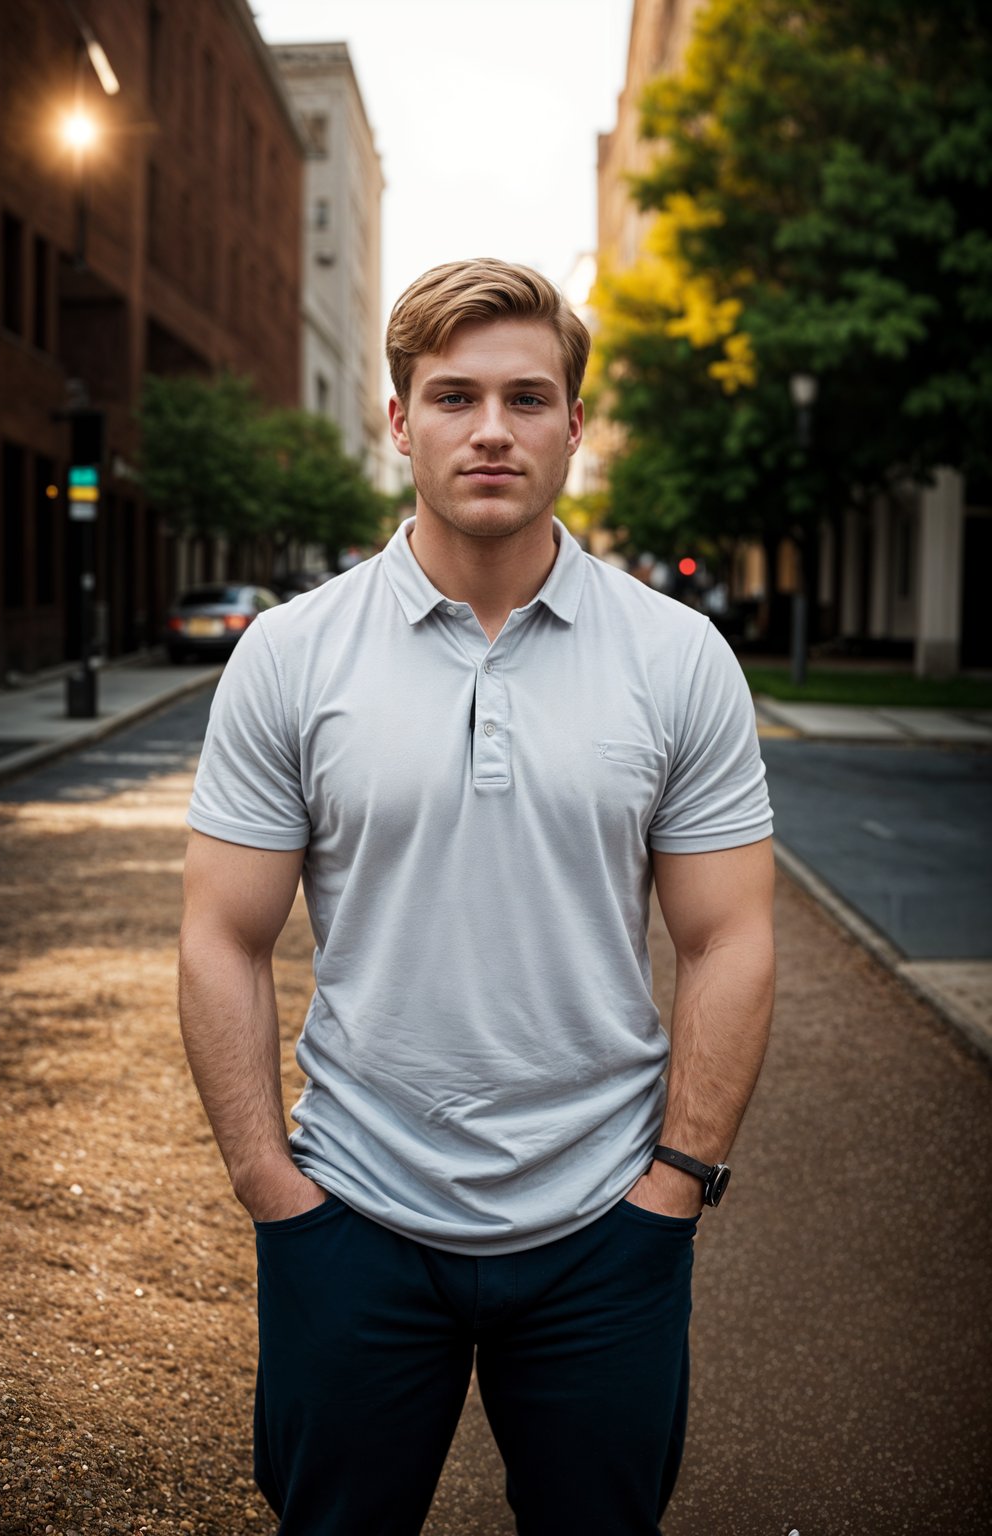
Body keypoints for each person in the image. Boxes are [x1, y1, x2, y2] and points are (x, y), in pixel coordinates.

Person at [179, 257, 775, 1536]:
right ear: (398, 421)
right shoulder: (290, 654)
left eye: (527, 396)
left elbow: (730, 936)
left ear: (574, 423)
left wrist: (674, 1183)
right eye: (452, 397)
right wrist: (270, 1191)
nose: (491, 430)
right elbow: (222, 937)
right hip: (352, 1219)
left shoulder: (677, 658)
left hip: (605, 1230)